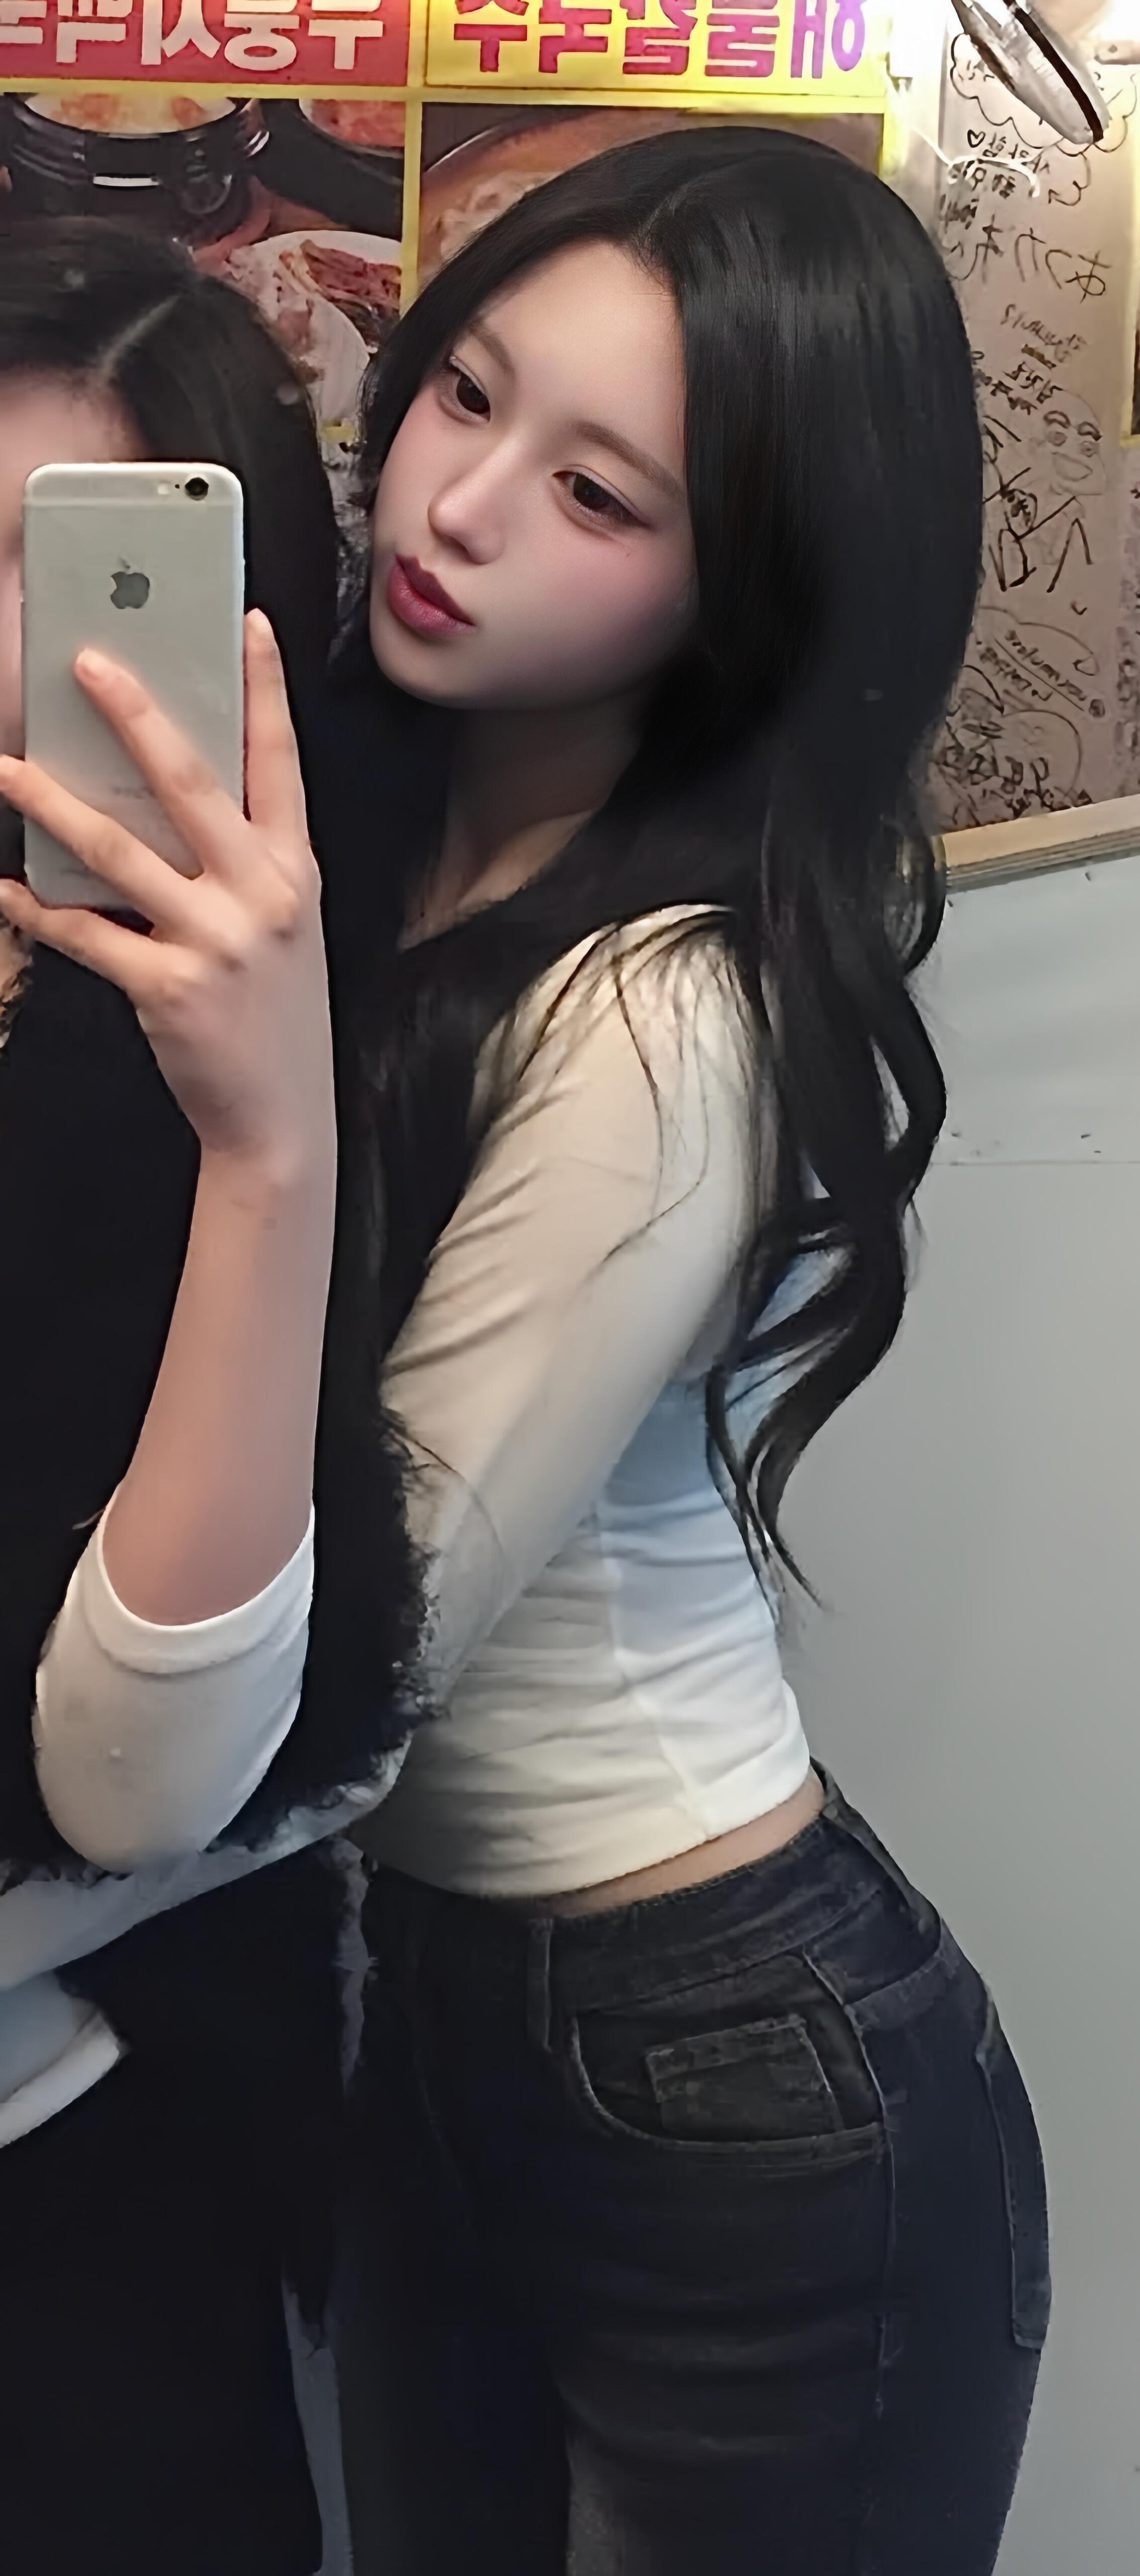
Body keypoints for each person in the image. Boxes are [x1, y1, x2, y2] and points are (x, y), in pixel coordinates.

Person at [0, 131, 1048, 2574]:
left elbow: (339, 1693)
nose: (458, 509)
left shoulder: (665, 1013)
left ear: (753, 586)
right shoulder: (357, 823)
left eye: (599, 493)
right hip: (432, 2006)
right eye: (464, 393)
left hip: (715, 2049)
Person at [0, 222, 421, 2576]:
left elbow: (141, 1776)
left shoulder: (222, 1052)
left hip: (76, 2195)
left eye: (53, 565)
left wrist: (266, 1141)